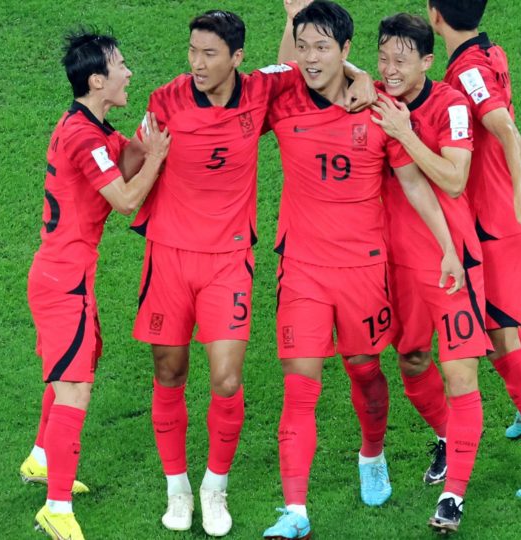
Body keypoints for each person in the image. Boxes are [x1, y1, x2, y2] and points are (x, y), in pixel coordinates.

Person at [129, 9, 374, 536]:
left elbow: (324, 67)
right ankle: (177, 488)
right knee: (169, 371)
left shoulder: (263, 91)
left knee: (226, 378)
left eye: (209, 54)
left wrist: (365, 78)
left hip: (229, 261)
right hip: (168, 255)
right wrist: (140, 155)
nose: (197, 63)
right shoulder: (166, 100)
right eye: (192, 51)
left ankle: (214, 487)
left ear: (237, 58)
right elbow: (131, 170)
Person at [260, 3, 465, 538]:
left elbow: (417, 184)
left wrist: (447, 246)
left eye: (322, 47)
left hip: (362, 270)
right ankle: (295, 511)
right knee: (300, 387)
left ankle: (372, 453)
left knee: (366, 374)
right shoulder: (283, 106)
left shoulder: (377, 109)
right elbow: (279, 74)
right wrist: (292, 21)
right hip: (301, 268)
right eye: (303, 47)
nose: (310, 58)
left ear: (346, 51)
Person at [428, 0, 521, 500]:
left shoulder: (468, 69)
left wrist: (517, 199)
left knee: (499, 337)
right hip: (492, 218)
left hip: (496, 222)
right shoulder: (488, 50)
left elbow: (505, 129)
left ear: (434, 15)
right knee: (500, 332)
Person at [22, 29, 170, 540]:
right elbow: (125, 200)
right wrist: (154, 158)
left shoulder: (87, 123)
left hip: (62, 275)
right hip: (63, 282)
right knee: (76, 386)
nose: (129, 72)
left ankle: (42, 458)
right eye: (121, 66)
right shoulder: (85, 137)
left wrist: (146, 141)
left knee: (72, 368)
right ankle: (55, 507)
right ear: (97, 80)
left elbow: (117, 158)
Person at [368, 12, 491, 533]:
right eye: (383, 57)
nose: (390, 69)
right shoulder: (370, 93)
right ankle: (446, 435)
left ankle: (454, 496)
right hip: (392, 262)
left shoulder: (452, 105)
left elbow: (455, 179)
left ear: (426, 60)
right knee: (414, 360)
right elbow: (322, 68)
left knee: (460, 376)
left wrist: (403, 132)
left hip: (450, 261)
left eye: (401, 59)